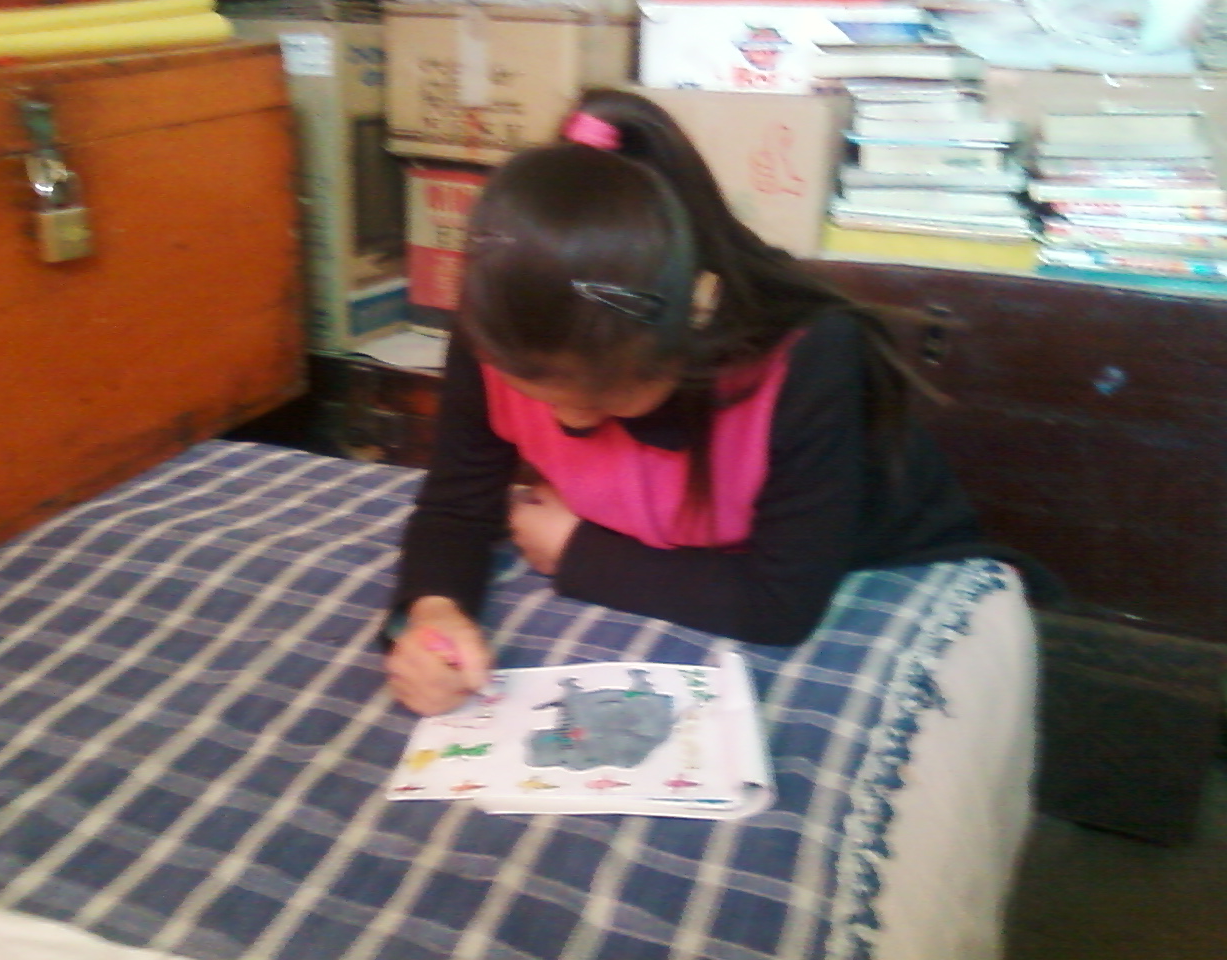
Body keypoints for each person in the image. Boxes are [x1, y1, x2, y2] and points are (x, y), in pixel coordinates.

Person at [383, 87, 1049, 716]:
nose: (569, 424)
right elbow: (455, 506)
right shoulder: (502, 332)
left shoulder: (806, 359)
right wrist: (434, 611)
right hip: (703, 564)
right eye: (538, 395)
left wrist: (576, 551)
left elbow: (780, 604)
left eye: (607, 398)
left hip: (884, 568)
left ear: (690, 328)